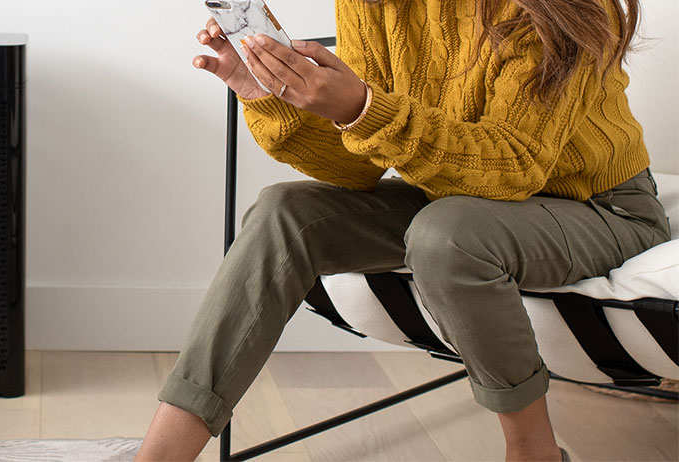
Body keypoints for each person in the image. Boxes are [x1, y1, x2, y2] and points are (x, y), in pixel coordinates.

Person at [135, 0, 669, 460]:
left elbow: (517, 163)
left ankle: (534, 449)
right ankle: (161, 453)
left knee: (447, 233)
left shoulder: (553, 9)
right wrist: (269, 94)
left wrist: (363, 107)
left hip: (598, 207)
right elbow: (356, 169)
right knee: (284, 212)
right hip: (460, 194)